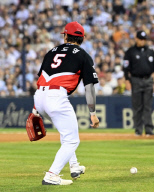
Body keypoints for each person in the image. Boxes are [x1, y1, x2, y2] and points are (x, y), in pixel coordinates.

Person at [33, 21, 100, 185]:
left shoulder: (51, 51)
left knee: (66, 132)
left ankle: (74, 166)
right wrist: (92, 113)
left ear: (65, 36)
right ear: (82, 38)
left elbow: (40, 78)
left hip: (40, 96)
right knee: (72, 140)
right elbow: (89, 86)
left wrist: (36, 108)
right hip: (56, 96)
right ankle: (52, 174)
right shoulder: (83, 55)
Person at [123, 30, 154, 136]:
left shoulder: (150, 51)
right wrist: (127, 80)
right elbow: (126, 67)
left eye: (144, 39)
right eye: (141, 39)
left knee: (148, 106)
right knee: (138, 106)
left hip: (148, 80)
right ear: (136, 39)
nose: (143, 41)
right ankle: (138, 130)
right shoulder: (130, 51)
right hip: (136, 80)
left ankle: (149, 129)